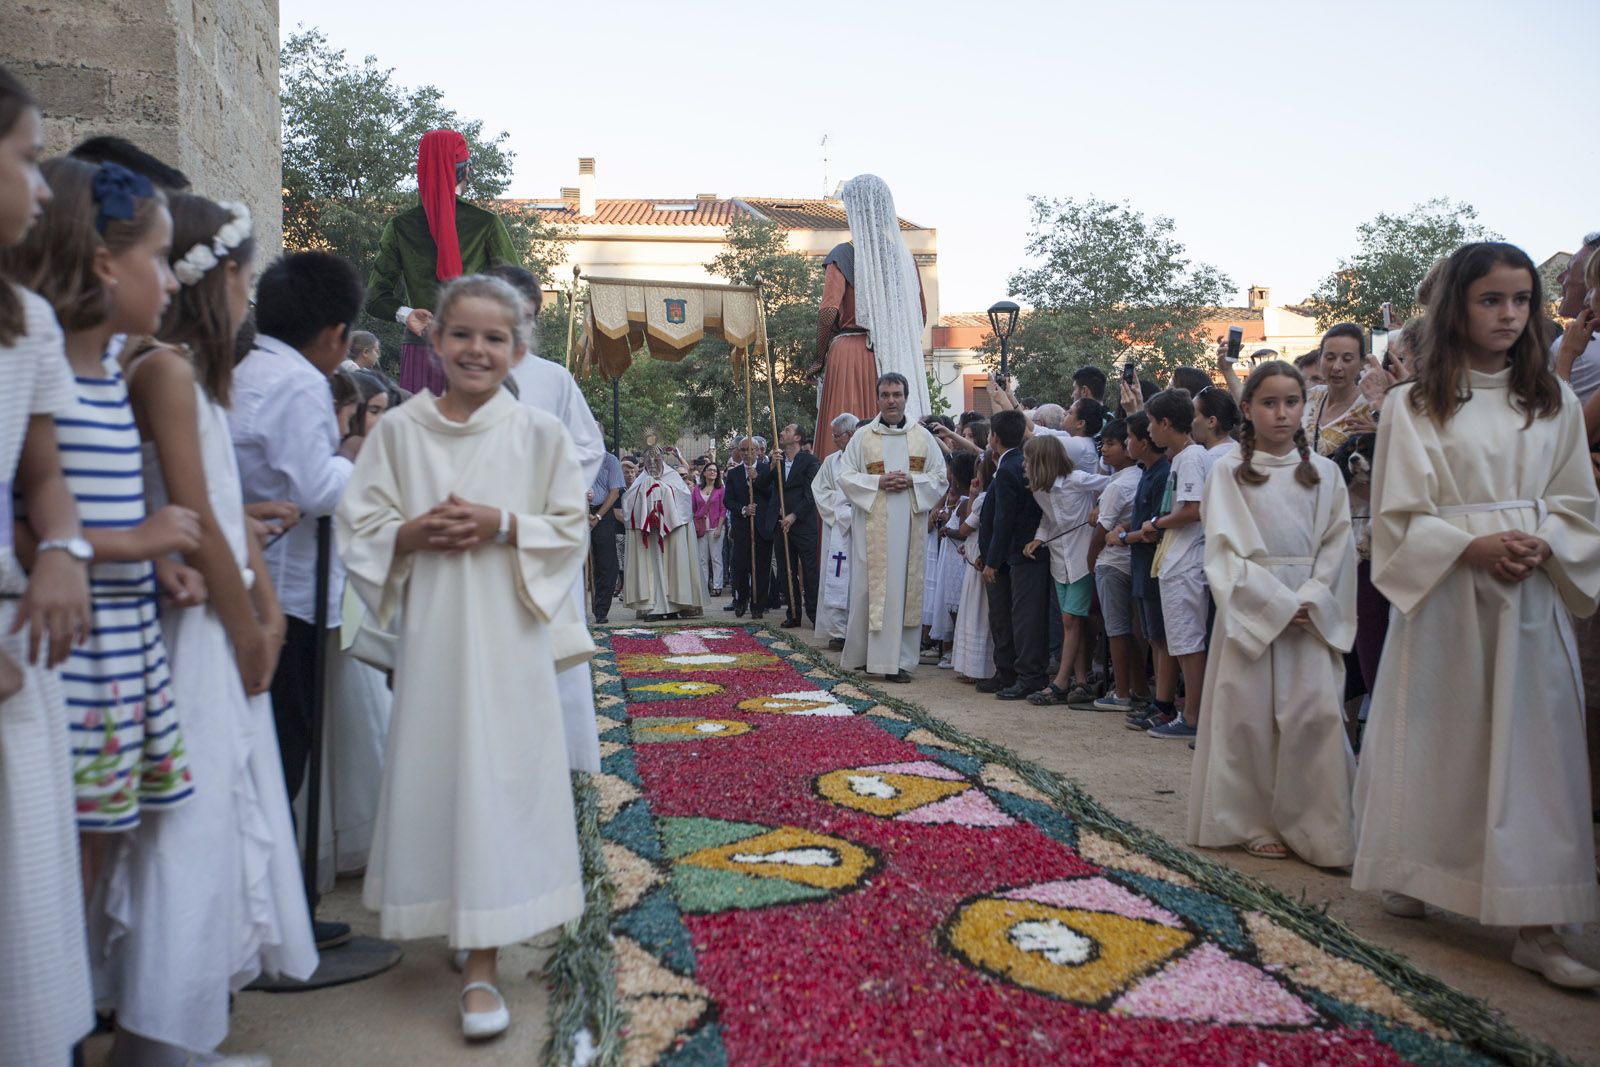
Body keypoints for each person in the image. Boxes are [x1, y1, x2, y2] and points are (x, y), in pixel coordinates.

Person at [338, 274, 590, 1038]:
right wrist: (410, 534)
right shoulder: (402, 432)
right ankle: (461, 915)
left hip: (509, 637)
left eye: (494, 337)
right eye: (462, 335)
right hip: (436, 636)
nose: (477, 349)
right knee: (442, 772)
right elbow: (361, 523)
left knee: (498, 776)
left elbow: (569, 527)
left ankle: (483, 962)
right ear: (436, 340)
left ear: (518, 348)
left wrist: (504, 523)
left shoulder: (539, 435)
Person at [1352, 242, 1600, 988]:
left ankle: (1539, 920)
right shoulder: (1415, 403)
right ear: (1457, 305)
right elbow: (1399, 514)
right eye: (1492, 299)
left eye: (1521, 300)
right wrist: (1470, 544)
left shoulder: (1549, 401)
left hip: (1527, 591)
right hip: (1452, 596)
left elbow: (1576, 503)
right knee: (1442, 737)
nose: (1509, 314)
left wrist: (1545, 540)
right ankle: (1419, 865)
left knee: (1538, 747)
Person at [110, 192, 318, 1063]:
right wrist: (251, 626)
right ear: (221, 276)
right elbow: (194, 509)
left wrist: (266, 608)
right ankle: (161, 1035)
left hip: (220, 612)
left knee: (221, 817)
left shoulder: (191, 372)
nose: (251, 300)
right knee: (186, 830)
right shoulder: (163, 369)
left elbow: (227, 513)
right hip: (191, 627)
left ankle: (193, 1025)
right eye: (247, 279)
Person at [0, 67, 97, 1067]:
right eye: (27, 159)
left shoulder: (23, 323)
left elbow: (42, 476)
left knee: (27, 893)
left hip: (17, 625)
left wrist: (63, 551)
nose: (39, 186)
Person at [229, 251, 365, 948]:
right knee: (285, 749)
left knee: (276, 750)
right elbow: (315, 489)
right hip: (287, 592)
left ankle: (273, 910)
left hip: (264, 580)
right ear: (335, 334)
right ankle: (277, 919)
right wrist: (364, 464)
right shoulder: (300, 382)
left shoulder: (251, 369)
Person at [1188, 361, 1357, 865]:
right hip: (1254, 610)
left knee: (1317, 716)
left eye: (1292, 402)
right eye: (1269, 403)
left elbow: (1339, 545)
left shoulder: (1324, 472)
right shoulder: (1228, 471)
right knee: (1250, 718)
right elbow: (1223, 549)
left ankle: (1319, 826)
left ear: (1305, 407)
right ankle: (1254, 820)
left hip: (1310, 610)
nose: (1282, 414)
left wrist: (1313, 600)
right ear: (1247, 409)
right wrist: (1279, 604)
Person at [495, 263, 607, 770]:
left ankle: (564, 758)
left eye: (528, 314)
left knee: (550, 647)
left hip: (540, 533)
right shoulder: (464, 365)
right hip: (482, 536)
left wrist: (551, 490)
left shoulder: (553, 378)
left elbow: (588, 445)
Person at [365, 130, 521, 396]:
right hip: (477, 350)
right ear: (465, 170)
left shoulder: (401, 226)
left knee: (420, 433)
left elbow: (375, 298)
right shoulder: (485, 223)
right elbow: (519, 291)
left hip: (420, 347)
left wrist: (407, 315)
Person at [839, 373, 947, 681]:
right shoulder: (862, 437)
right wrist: (878, 482)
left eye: (896, 394)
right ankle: (863, 657)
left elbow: (940, 478)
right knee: (867, 590)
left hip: (909, 529)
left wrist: (913, 480)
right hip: (871, 528)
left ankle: (899, 662)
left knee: (903, 592)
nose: (891, 400)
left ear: (905, 397)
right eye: (885, 394)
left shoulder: (922, 437)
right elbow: (845, 477)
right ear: (877, 398)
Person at [809, 174, 928, 456]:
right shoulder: (905, 258)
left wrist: (817, 358)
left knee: (845, 441)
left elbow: (828, 312)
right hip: (895, 354)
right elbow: (920, 316)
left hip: (850, 354)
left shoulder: (844, 253)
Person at [1139, 389, 1209, 740]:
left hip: (1187, 561)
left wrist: (1156, 524)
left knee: (1189, 642)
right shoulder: (1181, 458)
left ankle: (1193, 715)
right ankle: (1189, 713)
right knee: (1181, 642)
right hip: (1175, 560)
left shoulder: (1192, 458)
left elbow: (1192, 510)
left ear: (1166, 423)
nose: (1149, 431)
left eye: (1152, 423)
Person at [1023, 435, 1109, 706]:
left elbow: (1114, 484)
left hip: (1082, 559)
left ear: (1041, 462)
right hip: (1059, 559)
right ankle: (1080, 680)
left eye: (1028, 460)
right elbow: (1048, 521)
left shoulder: (1077, 480)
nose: (1023, 464)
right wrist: (1039, 536)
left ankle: (1060, 681)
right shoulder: (1039, 490)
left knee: (1071, 620)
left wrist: (1100, 507)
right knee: (1072, 621)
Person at [983, 408, 1050, 699]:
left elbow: (1004, 519)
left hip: (1020, 553)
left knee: (1024, 618)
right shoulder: (1011, 464)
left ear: (994, 437)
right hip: (1015, 554)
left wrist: (992, 560)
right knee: (1010, 616)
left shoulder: (1011, 467)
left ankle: (1028, 675)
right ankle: (1008, 672)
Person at [1118, 412, 1177, 732]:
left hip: (1153, 563)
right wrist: (1126, 527)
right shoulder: (1148, 471)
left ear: (1144, 442)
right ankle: (1158, 702)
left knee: (1160, 638)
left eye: (1128, 437)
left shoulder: (1162, 473)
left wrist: (1124, 536)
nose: (1127, 442)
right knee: (1152, 636)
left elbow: (1154, 526)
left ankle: (1165, 704)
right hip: (1141, 565)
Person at [1090, 418, 1148, 713]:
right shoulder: (1139, 476)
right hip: (1133, 561)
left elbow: (1102, 530)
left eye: (1112, 444)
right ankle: (1138, 688)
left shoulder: (1120, 484)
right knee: (1133, 631)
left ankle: (1122, 692)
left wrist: (1091, 562)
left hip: (1112, 562)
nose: (1106, 450)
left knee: (1116, 630)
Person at [622, 447, 703, 619]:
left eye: (656, 459)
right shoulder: (641, 479)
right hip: (649, 534)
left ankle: (674, 606)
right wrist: (646, 498)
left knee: (673, 568)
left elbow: (684, 501)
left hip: (671, 533)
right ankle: (656, 607)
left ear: (662, 458)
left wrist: (662, 491)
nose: (653, 463)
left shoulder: (673, 476)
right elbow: (628, 501)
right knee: (652, 569)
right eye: (648, 459)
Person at [759, 422, 821, 628]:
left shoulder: (810, 461)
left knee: (810, 570)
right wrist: (771, 466)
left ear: (797, 438)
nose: (782, 433)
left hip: (803, 524)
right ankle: (793, 613)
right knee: (787, 570)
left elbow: (810, 493)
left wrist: (793, 515)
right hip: (780, 525)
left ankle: (814, 613)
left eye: (787, 430)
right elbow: (760, 486)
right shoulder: (777, 461)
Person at [812, 413, 858, 649]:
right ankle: (837, 631)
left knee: (857, 579)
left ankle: (856, 629)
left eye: (837, 435)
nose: (834, 440)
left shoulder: (864, 457)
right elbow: (819, 489)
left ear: (851, 434)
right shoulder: (832, 461)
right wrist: (841, 509)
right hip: (838, 527)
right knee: (836, 575)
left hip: (860, 527)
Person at [951, 455, 996, 682]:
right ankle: (972, 666)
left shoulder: (983, 499)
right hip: (974, 556)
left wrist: (972, 496)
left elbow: (964, 528)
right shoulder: (983, 497)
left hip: (979, 559)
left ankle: (977, 668)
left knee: (977, 615)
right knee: (975, 613)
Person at [1304, 324, 1376, 456]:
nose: (1337, 367)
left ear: (1362, 362)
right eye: (1330, 358)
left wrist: (1379, 435)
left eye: (1347, 359)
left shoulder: (1371, 408)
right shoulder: (1308, 398)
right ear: (1320, 359)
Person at [723, 436, 771, 618]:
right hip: (742, 528)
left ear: (758, 451)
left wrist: (757, 479)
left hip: (762, 528)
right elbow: (728, 500)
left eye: (750, 450)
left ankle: (758, 604)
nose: (746, 453)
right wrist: (743, 509)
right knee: (740, 567)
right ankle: (741, 599)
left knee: (761, 568)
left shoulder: (767, 470)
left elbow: (772, 494)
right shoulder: (734, 474)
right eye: (743, 450)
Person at [1552, 230, 1600, 400]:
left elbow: (1559, 421)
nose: (1559, 278)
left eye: (1569, 269)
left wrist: (1566, 355)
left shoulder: (1581, 351)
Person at [588, 449, 625, 624]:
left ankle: (601, 609)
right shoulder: (571, 456)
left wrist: (598, 516)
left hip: (603, 513)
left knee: (606, 563)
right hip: (578, 512)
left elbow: (615, 491)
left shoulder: (610, 461)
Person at [693, 460, 727, 598]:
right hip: (701, 527)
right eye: (710, 470)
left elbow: (723, 509)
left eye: (715, 470)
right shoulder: (697, 489)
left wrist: (719, 527)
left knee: (716, 557)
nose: (713, 472)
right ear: (705, 473)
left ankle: (717, 586)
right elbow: (693, 508)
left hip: (715, 527)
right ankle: (704, 585)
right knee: (702, 558)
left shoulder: (721, 490)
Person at [1192, 385, 1240, 467]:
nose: (1189, 421)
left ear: (1211, 421)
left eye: (1193, 416)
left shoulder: (1209, 460)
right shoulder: (1241, 451)